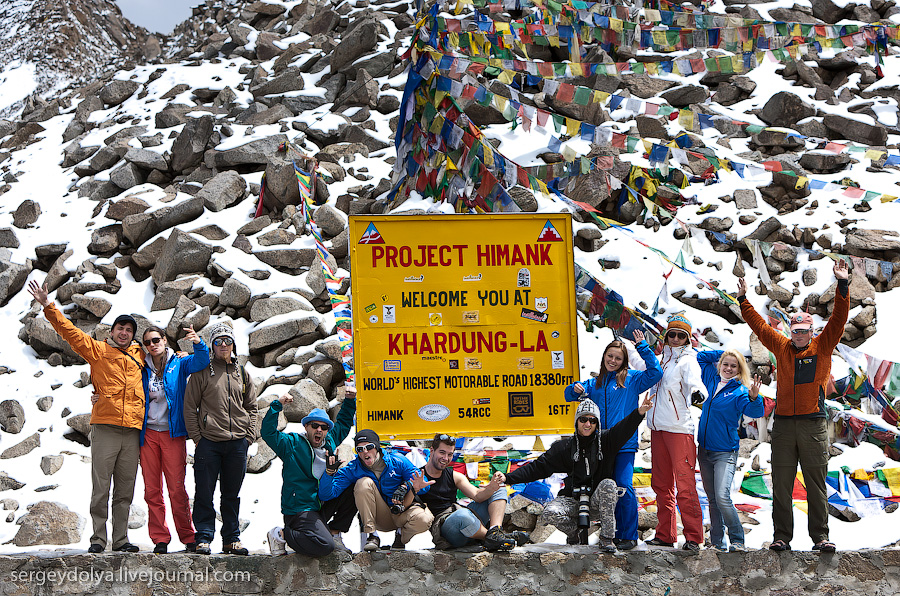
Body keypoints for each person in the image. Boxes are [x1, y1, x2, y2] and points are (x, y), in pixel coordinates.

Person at [737, 258, 850, 553]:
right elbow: (761, 328)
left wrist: (843, 284)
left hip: (814, 424)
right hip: (785, 425)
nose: (799, 335)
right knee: (782, 485)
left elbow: (839, 319)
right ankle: (781, 537)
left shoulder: (823, 345)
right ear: (790, 331)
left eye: (804, 330)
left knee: (816, 485)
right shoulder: (782, 347)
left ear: (811, 331)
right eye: (795, 330)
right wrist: (743, 300)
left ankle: (821, 537)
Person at [27, 279, 146, 554]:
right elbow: (70, 333)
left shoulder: (142, 356)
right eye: (120, 329)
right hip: (105, 426)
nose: (124, 333)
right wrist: (48, 305)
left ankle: (121, 540)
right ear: (112, 331)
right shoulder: (99, 351)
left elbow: (165, 361)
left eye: (129, 330)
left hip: (132, 430)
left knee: (125, 490)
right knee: (101, 487)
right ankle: (98, 539)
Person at [495, 394, 655, 552]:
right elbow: (538, 467)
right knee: (550, 513)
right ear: (576, 421)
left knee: (609, 485)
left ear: (597, 423)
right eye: (583, 419)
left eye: (592, 420)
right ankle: (575, 534)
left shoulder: (606, 441)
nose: (587, 424)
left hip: (597, 502)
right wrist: (508, 477)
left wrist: (640, 412)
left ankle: (607, 539)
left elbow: (624, 428)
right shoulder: (565, 447)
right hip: (573, 500)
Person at [563, 329, 662, 550]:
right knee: (606, 489)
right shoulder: (595, 383)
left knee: (624, 486)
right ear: (604, 357)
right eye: (610, 356)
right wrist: (574, 388)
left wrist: (643, 347)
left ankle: (628, 535)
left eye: (618, 358)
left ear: (624, 361)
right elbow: (569, 395)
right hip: (600, 446)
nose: (613, 361)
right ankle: (611, 533)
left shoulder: (632, 379)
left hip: (625, 444)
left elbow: (655, 373)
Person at [184, 322, 258, 555]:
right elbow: (189, 407)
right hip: (209, 442)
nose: (223, 345)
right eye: (218, 341)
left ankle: (231, 539)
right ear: (212, 345)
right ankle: (204, 537)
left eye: (227, 341)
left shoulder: (242, 372)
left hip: (237, 443)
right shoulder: (202, 373)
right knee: (205, 492)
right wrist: (198, 438)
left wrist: (248, 437)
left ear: (233, 344)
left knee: (231, 494)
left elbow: (252, 407)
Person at [261, 388, 357, 557]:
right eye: (315, 425)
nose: (319, 430)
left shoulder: (330, 441)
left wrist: (349, 399)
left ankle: (334, 533)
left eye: (324, 427)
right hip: (300, 508)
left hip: (321, 502)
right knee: (324, 546)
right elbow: (268, 433)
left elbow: (343, 423)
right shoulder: (292, 444)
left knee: (354, 487)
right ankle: (281, 534)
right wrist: (277, 405)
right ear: (306, 426)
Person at [139, 324, 209, 554]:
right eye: (148, 342)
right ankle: (160, 538)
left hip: (172, 433)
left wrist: (197, 343)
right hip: (148, 433)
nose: (152, 345)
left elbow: (202, 361)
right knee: (152, 489)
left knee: (177, 488)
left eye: (156, 340)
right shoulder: (141, 366)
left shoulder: (179, 362)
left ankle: (188, 536)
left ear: (165, 340)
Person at [645, 313, 707, 553]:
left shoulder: (688, 360)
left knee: (685, 484)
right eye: (673, 334)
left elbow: (695, 381)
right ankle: (665, 533)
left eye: (682, 335)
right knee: (661, 484)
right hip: (658, 428)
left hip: (680, 430)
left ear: (688, 339)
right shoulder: (661, 360)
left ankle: (693, 536)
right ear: (666, 336)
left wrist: (697, 393)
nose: (676, 339)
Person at [318, 429, 434, 551]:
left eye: (369, 447)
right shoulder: (353, 468)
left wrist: (406, 486)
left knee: (424, 519)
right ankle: (372, 535)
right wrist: (329, 473)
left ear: (377, 447)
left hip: (402, 511)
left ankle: (401, 537)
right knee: (363, 483)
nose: (365, 452)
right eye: (360, 449)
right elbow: (327, 495)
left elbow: (424, 484)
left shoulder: (397, 460)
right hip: (379, 516)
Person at [696, 349, 764, 552]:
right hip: (704, 449)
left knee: (722, 496)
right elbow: (700, 357)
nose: (728, 368)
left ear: (740, 369)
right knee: (712, 499)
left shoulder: (740, 391)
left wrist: (754, 398)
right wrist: (725, 352)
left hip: (725, 452)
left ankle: (737, 540)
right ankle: (717, 542)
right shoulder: (709, 377)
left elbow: (755, 412)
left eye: (734, 365)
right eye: (725, 364)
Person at [416, 433, 528, 552]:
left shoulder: (454, 476)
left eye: (450, 454)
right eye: (442, 453)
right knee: (463, 515)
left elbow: (477, 496)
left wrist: (491, 487)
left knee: (499, 489)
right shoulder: (417, 476)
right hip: (446, 530)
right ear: (432, 451)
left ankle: (495, 531)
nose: (445, 458)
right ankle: (497, 538)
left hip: (464, 518)